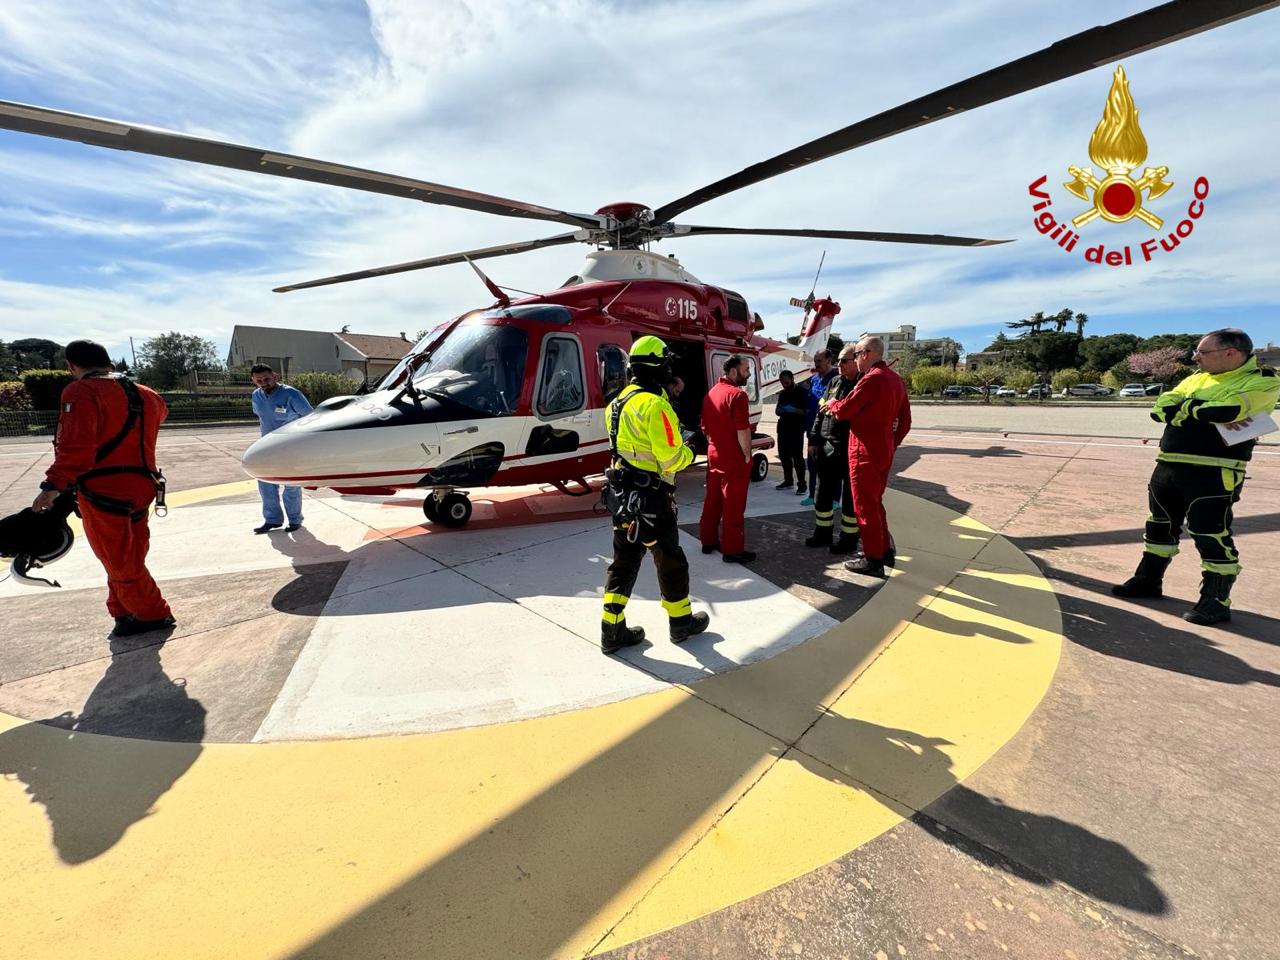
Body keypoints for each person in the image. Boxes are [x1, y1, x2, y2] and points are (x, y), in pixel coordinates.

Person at [1112, 328, 1278, 625]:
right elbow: (1161, 407)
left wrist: (1185, 409)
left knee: (1210, 532)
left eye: (1202, 353)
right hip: (1169, 464)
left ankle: (1215, 599)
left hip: (1214, 470)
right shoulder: (1196, 377)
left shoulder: (1262, 380)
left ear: (1231, 353)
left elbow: (1228, 411)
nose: (1195, 358)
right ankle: (1148, 579)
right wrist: (1196, 411)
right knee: (1159, 526)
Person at [30, 339, 173, 636]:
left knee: (119, 560)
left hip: (104, 490)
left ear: (71, 366)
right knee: (128, 555)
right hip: (143, 485)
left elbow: (75, 447)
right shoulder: (148, 394)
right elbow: (160, 416)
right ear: (109, 362)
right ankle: (122, 608)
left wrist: (52, 487)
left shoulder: (80, 391)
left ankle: (152, 614)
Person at [600, 336, 710, 654]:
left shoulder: (616, 404)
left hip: (621, 498)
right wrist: (692, 448)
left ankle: (611, 628)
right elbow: (671, 459)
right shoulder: (655, 404)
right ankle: (681, 623)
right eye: (666, 363)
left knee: (623, 562)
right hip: (652, 500)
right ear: (658, 366)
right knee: (670, 560)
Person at [827, 336, 912, 577]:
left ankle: (873, 558)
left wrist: (833, 403)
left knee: (864, 507)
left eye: (856, 355)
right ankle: (884, 550)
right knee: (875, 503)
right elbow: (905, 422)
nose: (854, 360)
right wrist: (890, 443)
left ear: (865, 354)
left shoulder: (871, 380)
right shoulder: (896, 381)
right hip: (882, 450)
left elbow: (845, 410)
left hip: (863, 451)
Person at [700, 355, 756, 563]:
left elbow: (705, 428)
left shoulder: (711, 393)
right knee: (733, 504)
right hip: (733, 458)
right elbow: (743, 431)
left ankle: (708, 541)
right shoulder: (737, 395)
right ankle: (732, 549)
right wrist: (747, 455)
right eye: (746, 369)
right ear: (734, 371)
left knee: (712, 500)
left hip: (714, 454)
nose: (748, 373)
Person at [805, 347, 860, 554]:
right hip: (828, 447)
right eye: (838, 361)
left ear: (856, 360)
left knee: (849, 499)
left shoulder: (862, 383)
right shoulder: (834, 382)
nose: (840, 365)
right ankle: (823, 533)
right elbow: (821, 411)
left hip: (850, 448)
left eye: (844, 361)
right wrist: (813, 439)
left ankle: (848, 539)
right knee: (822, 493)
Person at [250, 363, 313, 533]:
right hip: (267, 446)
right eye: (259, 380)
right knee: (265, 483)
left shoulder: (291, 394)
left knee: (291, 484)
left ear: (275, 377)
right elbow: (262, 416)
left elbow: (309, 417)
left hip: (290, 446)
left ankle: (294, 520)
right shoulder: (256, 396)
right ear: (254, 381)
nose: (264, 383)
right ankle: (272, 519)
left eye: (267, 379)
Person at [800, 350, 835, 506]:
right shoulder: (814, 380)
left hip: (828, 431)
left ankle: (835, 498)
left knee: (831, 466)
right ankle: (812, 494)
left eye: (819, 360)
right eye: (815, 360)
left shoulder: (836, 379)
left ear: (829, 360)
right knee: (813, 463)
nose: (816, 364)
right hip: (812, 430)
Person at [773, 369, 808, 492]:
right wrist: (781, 410)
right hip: (783, 428)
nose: (784, 385)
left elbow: (807, 411)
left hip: (796, 429)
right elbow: (777, 410)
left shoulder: (802, 392)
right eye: (782, 383)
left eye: (786, 382)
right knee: (784, 455)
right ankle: (788, 480)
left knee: (797, 457)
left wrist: (794, 410)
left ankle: (802, 484)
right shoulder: (783, 394)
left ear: (792, 379)